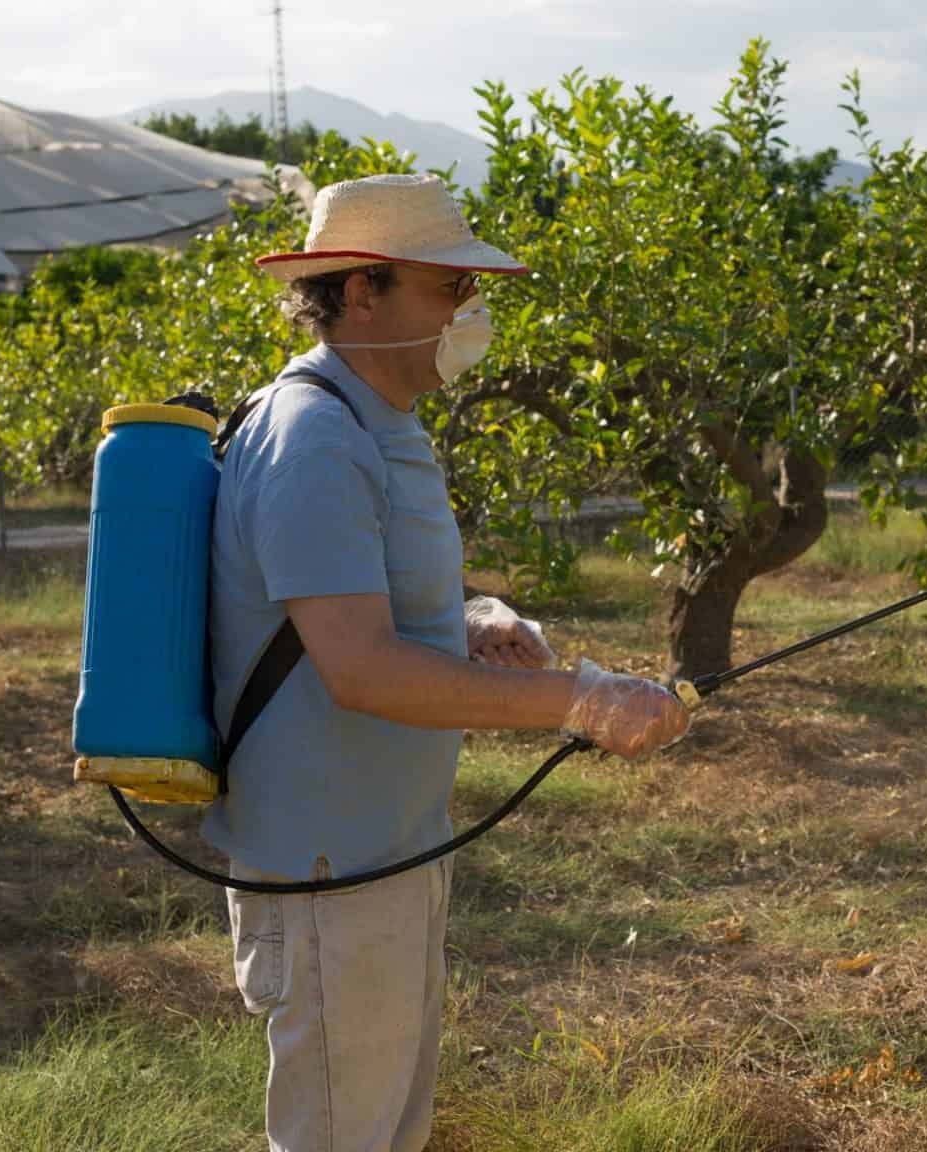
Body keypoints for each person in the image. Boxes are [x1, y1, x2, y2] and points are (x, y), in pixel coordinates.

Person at [205, 174, 690, 1152]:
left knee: (384, 1129)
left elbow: (342, 618)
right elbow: (362, 671)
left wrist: (468, 626)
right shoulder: (315, 438)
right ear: (359, 291)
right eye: (447, 289)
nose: (469, 313)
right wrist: (580, 700)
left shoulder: (379, 423)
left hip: (382, 849)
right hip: (329, 868)